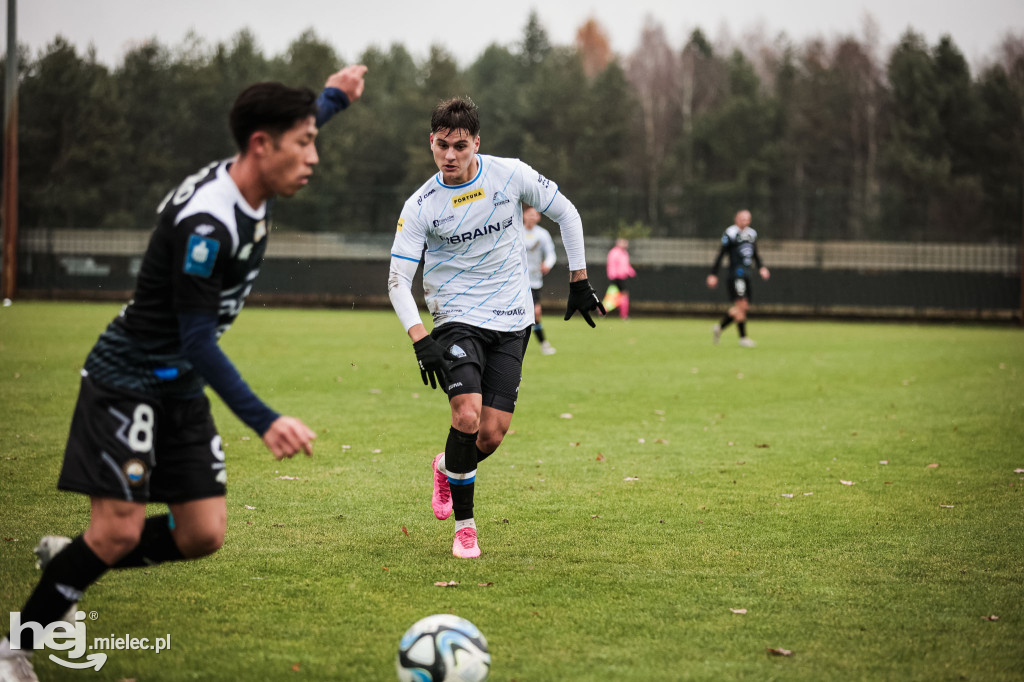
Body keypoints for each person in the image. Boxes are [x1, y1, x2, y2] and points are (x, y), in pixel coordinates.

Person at [0, 65, 367, 681]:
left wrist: (333, 99)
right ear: (261, 145)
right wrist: (264, 419)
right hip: (128, 379)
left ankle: (75, 561)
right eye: (305, 142)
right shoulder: (207, 225)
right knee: (117, 533)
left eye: (313, 138)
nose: (314, 156)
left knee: (202, 532)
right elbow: (197, 339)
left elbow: (288, 129)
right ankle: (15, 649)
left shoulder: (255, 173)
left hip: (176, 382)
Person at [387, 97, 604, 559]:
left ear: (476, 143)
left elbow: (568, 212)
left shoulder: (510, 175)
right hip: (455, 317)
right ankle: (466, 529)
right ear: (431, 142)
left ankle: (447, 466)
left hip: (512, 318)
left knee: (489, 434)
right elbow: (397, 281)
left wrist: (579, 280)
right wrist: (420, 337)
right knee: (465, 415)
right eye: (442, 145)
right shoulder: (421, 204)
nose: (450, 155)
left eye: (460, 146)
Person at [706, 209, 770, 347]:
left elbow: (755, 254)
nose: (745, 222)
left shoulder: (752, 234)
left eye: (747, 219)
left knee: (743, 307)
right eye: (742, 219)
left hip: (747, 273)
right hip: (735, 275)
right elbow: (721, 255)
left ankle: (719, 328)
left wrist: (761, 267)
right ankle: (743, 338)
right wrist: (713, 274)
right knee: (741, 304)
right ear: (736, 219)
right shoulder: (730, 233)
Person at [523, 205, 558, 355]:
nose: (531, 217)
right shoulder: (516, 231)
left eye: (534, 214)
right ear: (523, 215)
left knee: (536, 313)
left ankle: (543, 343)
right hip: (517, 280)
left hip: (535, 281)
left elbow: (551, 254)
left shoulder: (543, 234)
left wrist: (547, 264)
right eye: (529, 214)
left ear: (538, 217)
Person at [606, 238, 637, 319]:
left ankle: (603, 311)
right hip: (617, 277)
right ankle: (623, 315)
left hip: (623, 276)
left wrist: (631, 271)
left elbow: (625, 265)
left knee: (615, 295)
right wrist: (612, 275)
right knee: (621, 295)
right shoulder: (614, 252)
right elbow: (611, 265)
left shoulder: (624, 253)